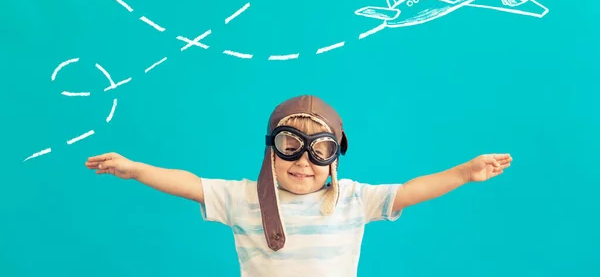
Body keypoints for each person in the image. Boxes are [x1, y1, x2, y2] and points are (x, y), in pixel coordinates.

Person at [85, 95, 512, 276]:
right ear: (271, 151)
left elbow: (409, 191)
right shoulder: (243, 198)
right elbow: (190, 184)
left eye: (319, 149)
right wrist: (136, 168)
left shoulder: (352, 199)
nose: (304, 161)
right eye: (291, 145)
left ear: (334, 160)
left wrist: (463, 173)